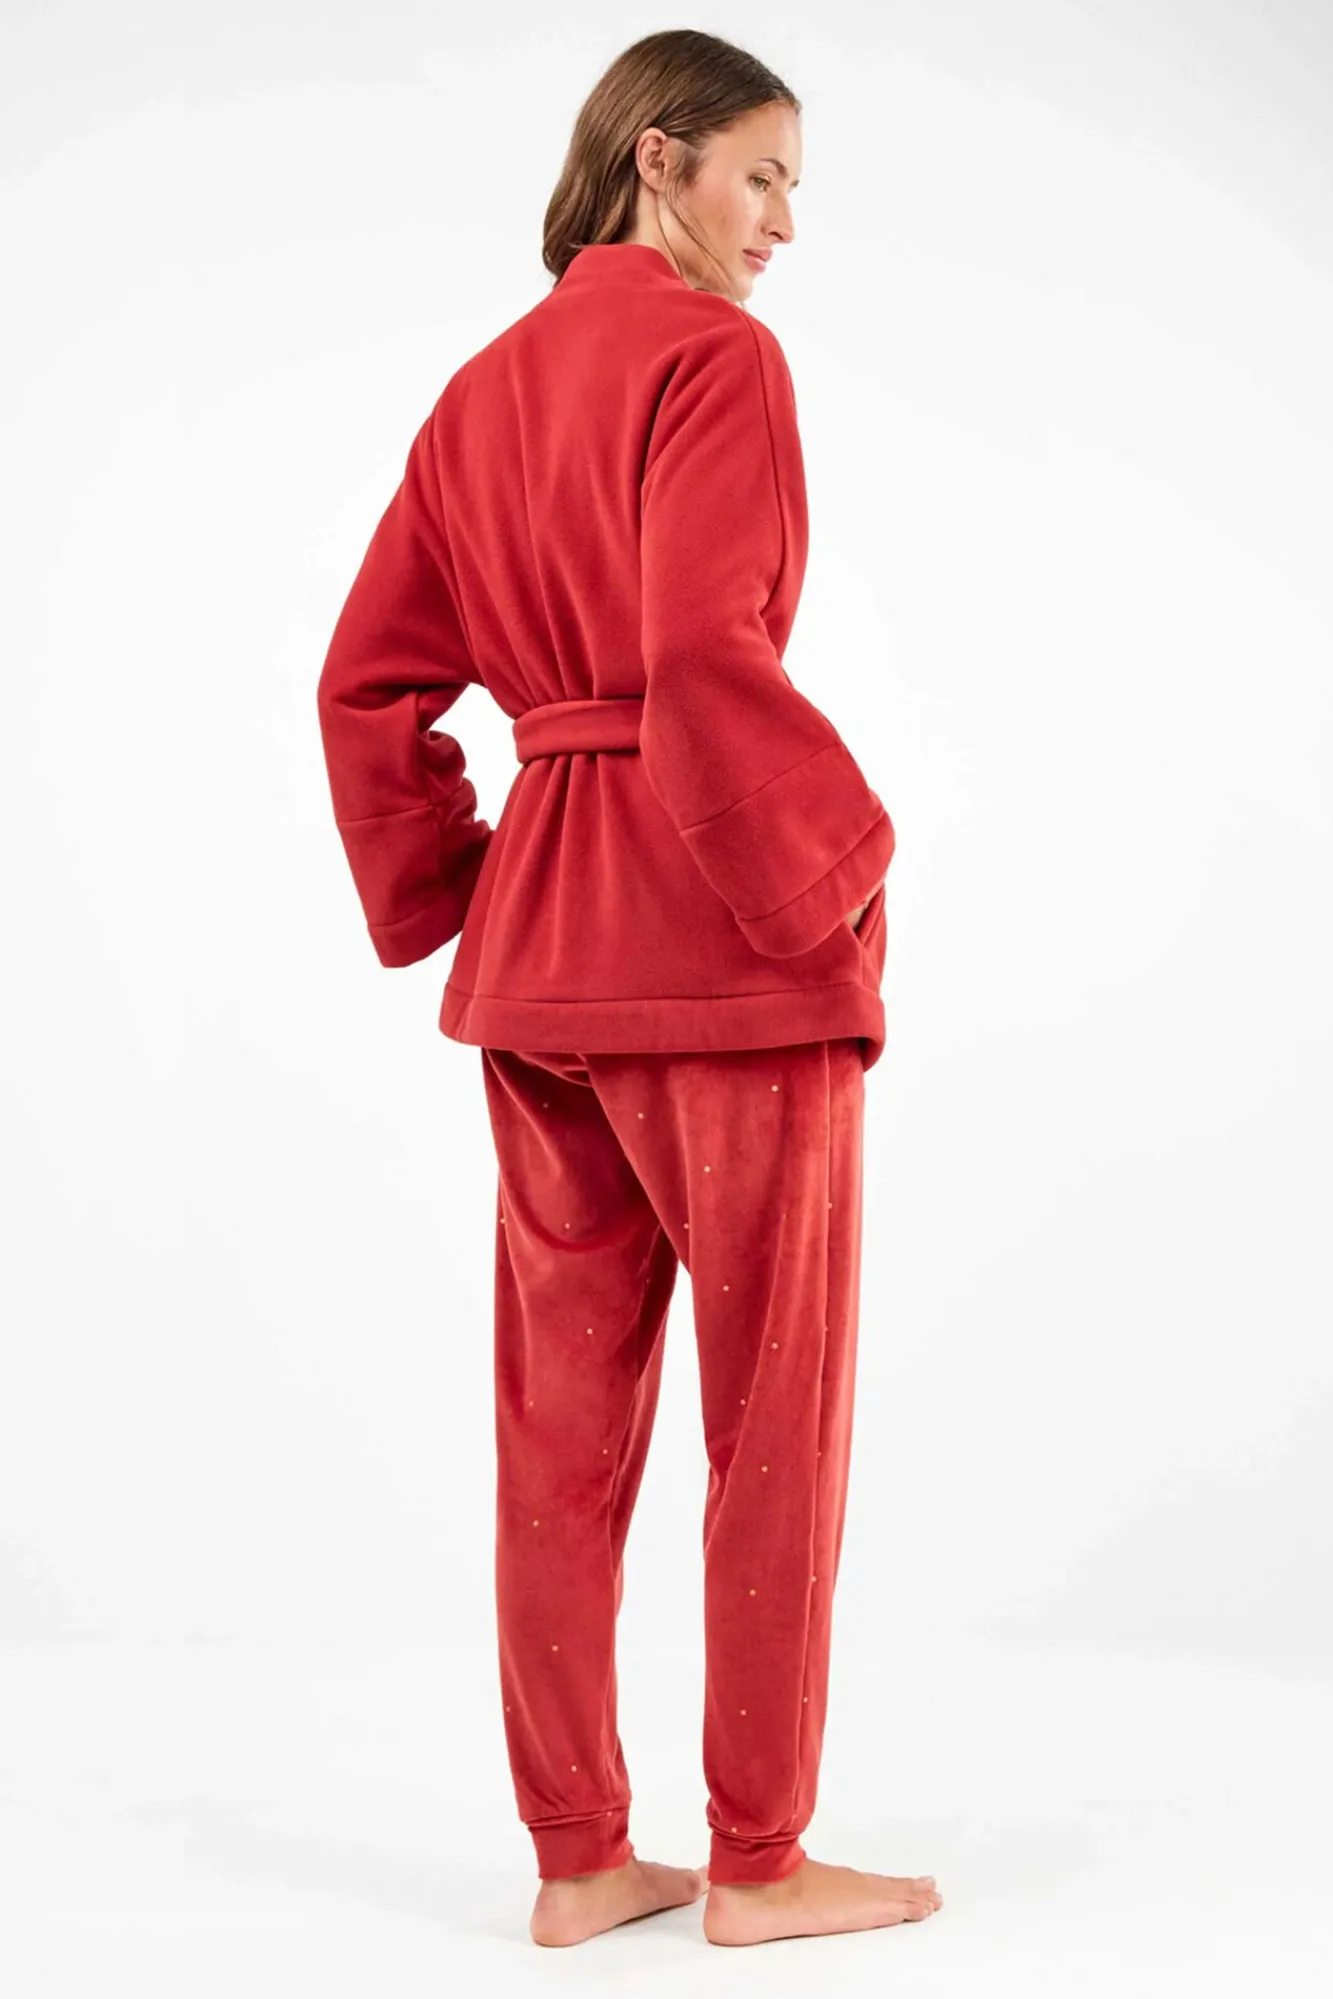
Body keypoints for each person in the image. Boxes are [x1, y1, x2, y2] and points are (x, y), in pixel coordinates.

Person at [315, 28, 942, 1951]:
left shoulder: (480, 394)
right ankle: (759, 1858)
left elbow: (363, 685)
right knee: (775, 1419)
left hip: (545, 965)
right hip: (722, 954)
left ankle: (579, 1855)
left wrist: (455, 887)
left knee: (556, 1424)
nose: (784, 224)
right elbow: (701, 653)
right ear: (658, 159)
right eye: (765, 175)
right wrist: (843, 877)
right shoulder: (713, 359)